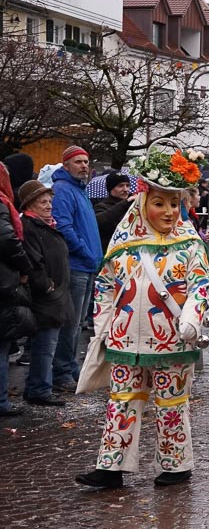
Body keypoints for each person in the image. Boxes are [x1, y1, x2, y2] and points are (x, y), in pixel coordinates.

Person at [75, 147, 209, 489]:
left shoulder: (190, 244)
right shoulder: (124, 242)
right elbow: (105, 285)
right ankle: (110, 467)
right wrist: (104, 327)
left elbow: (200, 286)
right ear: (143, 203)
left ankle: (175, 464)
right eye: (159, 203)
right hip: (125, 340)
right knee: (120, 401)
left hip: (174, 340)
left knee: (171, 404)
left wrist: (192, 320)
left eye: (174, 204)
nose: (167, 212)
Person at [50, 145, 103, 391]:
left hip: (88, 264)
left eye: (85, 161)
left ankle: (70, 367)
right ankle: (62, 372)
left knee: (78, 322)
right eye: (78, 161)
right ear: (66, 165)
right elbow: (64, 226)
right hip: (76, 265)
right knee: (70, 323)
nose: (83, 166)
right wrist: (84, 250)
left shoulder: (80, 190)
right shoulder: (63, 190)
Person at [20, 180, 72, 407]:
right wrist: (45, 285)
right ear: (30, 204)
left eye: (50, 201)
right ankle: (39, 389)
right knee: (45, 345)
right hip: (46, 297)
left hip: (55, 294)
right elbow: (33, 261)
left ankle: (39, 386)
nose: (49, 206)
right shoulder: (30, 227)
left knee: (48, 344)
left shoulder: (47, 226)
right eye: (43, 202)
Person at [0, 162, 33, 417]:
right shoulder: (1, 204)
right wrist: (24, 266)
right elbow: (8, 241)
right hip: (4, 283)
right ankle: (1, 401)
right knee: (2, 343)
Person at [93, 173, 132, 252]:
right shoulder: (101, 206)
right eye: (120, 186)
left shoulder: (133, 204)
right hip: (110, 251)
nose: (125, 189)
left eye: (128, 185)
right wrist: (125, 203)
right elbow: (100, 222)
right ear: (110, 188)